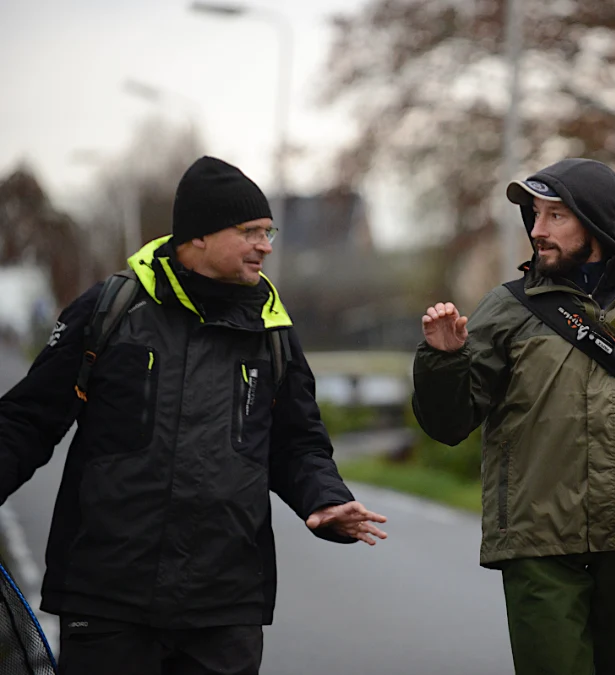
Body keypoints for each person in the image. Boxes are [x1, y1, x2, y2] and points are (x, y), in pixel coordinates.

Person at [0, 156, 387, 675]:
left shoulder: (272, 331)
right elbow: (28, 419)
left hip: (224, 607)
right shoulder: (109, 310)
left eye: (268, 231)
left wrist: (327, 500)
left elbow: (298, 444)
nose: (265, 245)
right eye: (250, 231)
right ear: (199, 236)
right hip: (107, 596)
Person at [412, 158, 615, 675]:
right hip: (536, 544)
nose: (537, 230)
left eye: (555, 216)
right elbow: (447, 424)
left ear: (595, 224)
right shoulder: (507, 309)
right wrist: (443, 360)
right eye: (535, 216)